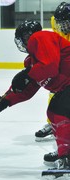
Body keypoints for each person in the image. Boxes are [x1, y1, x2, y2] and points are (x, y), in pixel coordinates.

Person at [0, 20, 70, 180]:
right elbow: (27, 90)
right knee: (56, 110)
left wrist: (27, 74)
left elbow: (49, 66)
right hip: (66, 89)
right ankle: (66, 152)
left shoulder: (41, 37)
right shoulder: (33, 62)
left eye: (22, 38)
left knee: (58, 110)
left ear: (27, 36)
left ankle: (67, 158)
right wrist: (2, 102)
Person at [37, 2, 70, 165]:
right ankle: (57, 127)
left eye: (65, 23)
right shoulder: (55, 22)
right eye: (60, 23)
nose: (61, 26)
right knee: (57, 95)